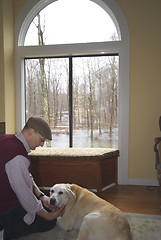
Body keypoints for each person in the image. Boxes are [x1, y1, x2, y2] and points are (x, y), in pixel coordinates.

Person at [0, 116, 64, 240]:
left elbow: (26, 177)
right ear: (30, 132)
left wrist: (41, 196)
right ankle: (8, 231)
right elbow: (24, 195)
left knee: (41, 206)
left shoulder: (7, 138)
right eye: (41, 140)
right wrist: (48, 216)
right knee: (48, 221)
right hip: (4, 208)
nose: (41, 145)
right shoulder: (17, 157)